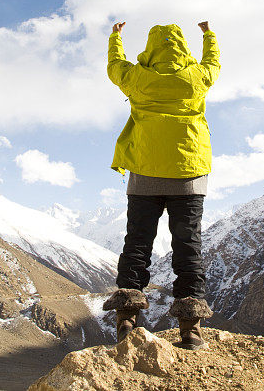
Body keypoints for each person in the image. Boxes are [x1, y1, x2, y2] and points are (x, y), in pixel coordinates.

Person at [102, 20, 220, 350]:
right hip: (189, 173)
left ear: (151, 48)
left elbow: (114, 67)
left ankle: (127, 320)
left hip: (145, 172)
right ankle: (190, 329)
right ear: (182, 48)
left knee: (137, 246)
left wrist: (116, 38)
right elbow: (213, 63)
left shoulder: (138, 79)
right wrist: (209, 35)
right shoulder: (195, 77)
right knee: (188, 248)